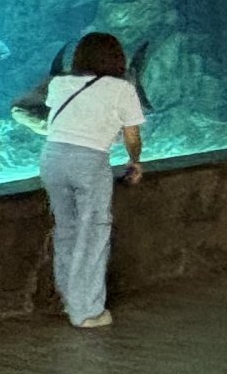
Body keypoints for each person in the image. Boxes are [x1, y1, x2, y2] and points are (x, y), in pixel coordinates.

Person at [37, 32, 147, 329]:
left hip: (52, 159)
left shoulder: (59, 83)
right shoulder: (122, 89)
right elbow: (132, 136)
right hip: (89, 162)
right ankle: (86, 311)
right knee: (93, 232)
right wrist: (134, 161)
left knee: (66, 229)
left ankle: (68, 298)